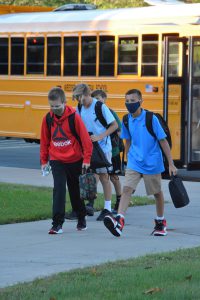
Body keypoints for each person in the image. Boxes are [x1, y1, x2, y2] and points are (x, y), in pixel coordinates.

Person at [104, 89, 177, 237]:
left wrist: (171, 163)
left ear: (141, 101)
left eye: (133, 101)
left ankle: (160, 222)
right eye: (127, 101)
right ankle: (119, 221)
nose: (129, 104)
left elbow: (163, 141)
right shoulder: (126, 119)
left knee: (156, 193)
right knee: (127, 190)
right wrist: (128, 159)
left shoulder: (151, 118)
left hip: (152, 162)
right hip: (135, 162)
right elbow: (128, 139)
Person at [40, 87, 93, 234]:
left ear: (64, 102)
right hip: (57, 159)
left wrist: (86, 159)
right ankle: (57, 223)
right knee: (59, 189)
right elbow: (45, 141)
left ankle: (81, 217)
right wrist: (44, 161)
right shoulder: (48, 118)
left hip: (75, 159)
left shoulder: (74, 117)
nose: (54, 109)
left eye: (57, 106)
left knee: (75, 191)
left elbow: (85, 139)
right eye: (51, 106)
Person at [72, 83, 118, 221]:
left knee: (104, 177)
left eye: (81, 98)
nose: (80, 102)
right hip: (87, 148)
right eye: (78, 99)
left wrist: (100, 136)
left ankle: (107, 209)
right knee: (88, 177)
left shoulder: (99, 106)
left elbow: (114, 125)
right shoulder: (79, 107)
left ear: (87, 94)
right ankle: (84, 207)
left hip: (102, 148)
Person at [91, 89, 122, 214]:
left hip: (112, 151)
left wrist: (110, 138)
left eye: (99, 99)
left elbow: (119, 130)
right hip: (98, 151)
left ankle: (119, 199)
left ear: (104, 99)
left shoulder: (110, 112)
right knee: (96, 175)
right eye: (95, 99)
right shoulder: (93, 113)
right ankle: (90, 202)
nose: (97, 102)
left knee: (114, 177)